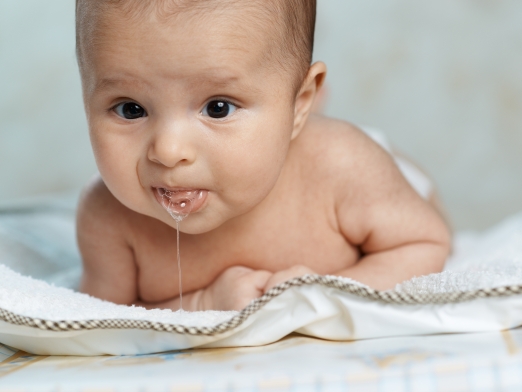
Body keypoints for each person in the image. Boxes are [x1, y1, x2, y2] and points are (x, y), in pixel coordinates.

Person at [75, 0, 451, 311]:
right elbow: (105, 322)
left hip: (361, 162)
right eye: (130, 109)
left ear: (300, 103)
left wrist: (326, 293)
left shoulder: (341, 167)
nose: (169, 152)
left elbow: (425, 244)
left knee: (402, 181)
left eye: (218, 107)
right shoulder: (108, 219)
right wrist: (201, 304)